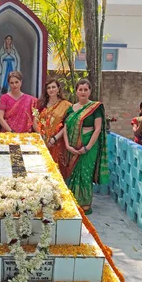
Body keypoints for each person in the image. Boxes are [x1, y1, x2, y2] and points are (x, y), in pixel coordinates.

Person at [63, 79, 109, 214]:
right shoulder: (71, 108)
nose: (83, 92)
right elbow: (65, 127)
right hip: (72, 146)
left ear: (90, 91)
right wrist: (67, 145)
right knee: (72, 173)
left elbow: (98, 129)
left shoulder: (95, 108)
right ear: (76, 91)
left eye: (85, 89)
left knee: (85, 174)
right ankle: (72, 202)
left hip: (89, 145)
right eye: (80, 89)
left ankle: (85, 204)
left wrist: (87, 147)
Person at [37, 78, 72, 177]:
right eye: (49, 88)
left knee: (57, 171)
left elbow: (67, 125)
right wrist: (42, 137)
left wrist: (54, 138)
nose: (51, 90)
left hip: (58, 143)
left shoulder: (66, 105)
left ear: (58, 89)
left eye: (53, 87)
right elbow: (36, 123)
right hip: (43, 142)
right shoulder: (41, 105)